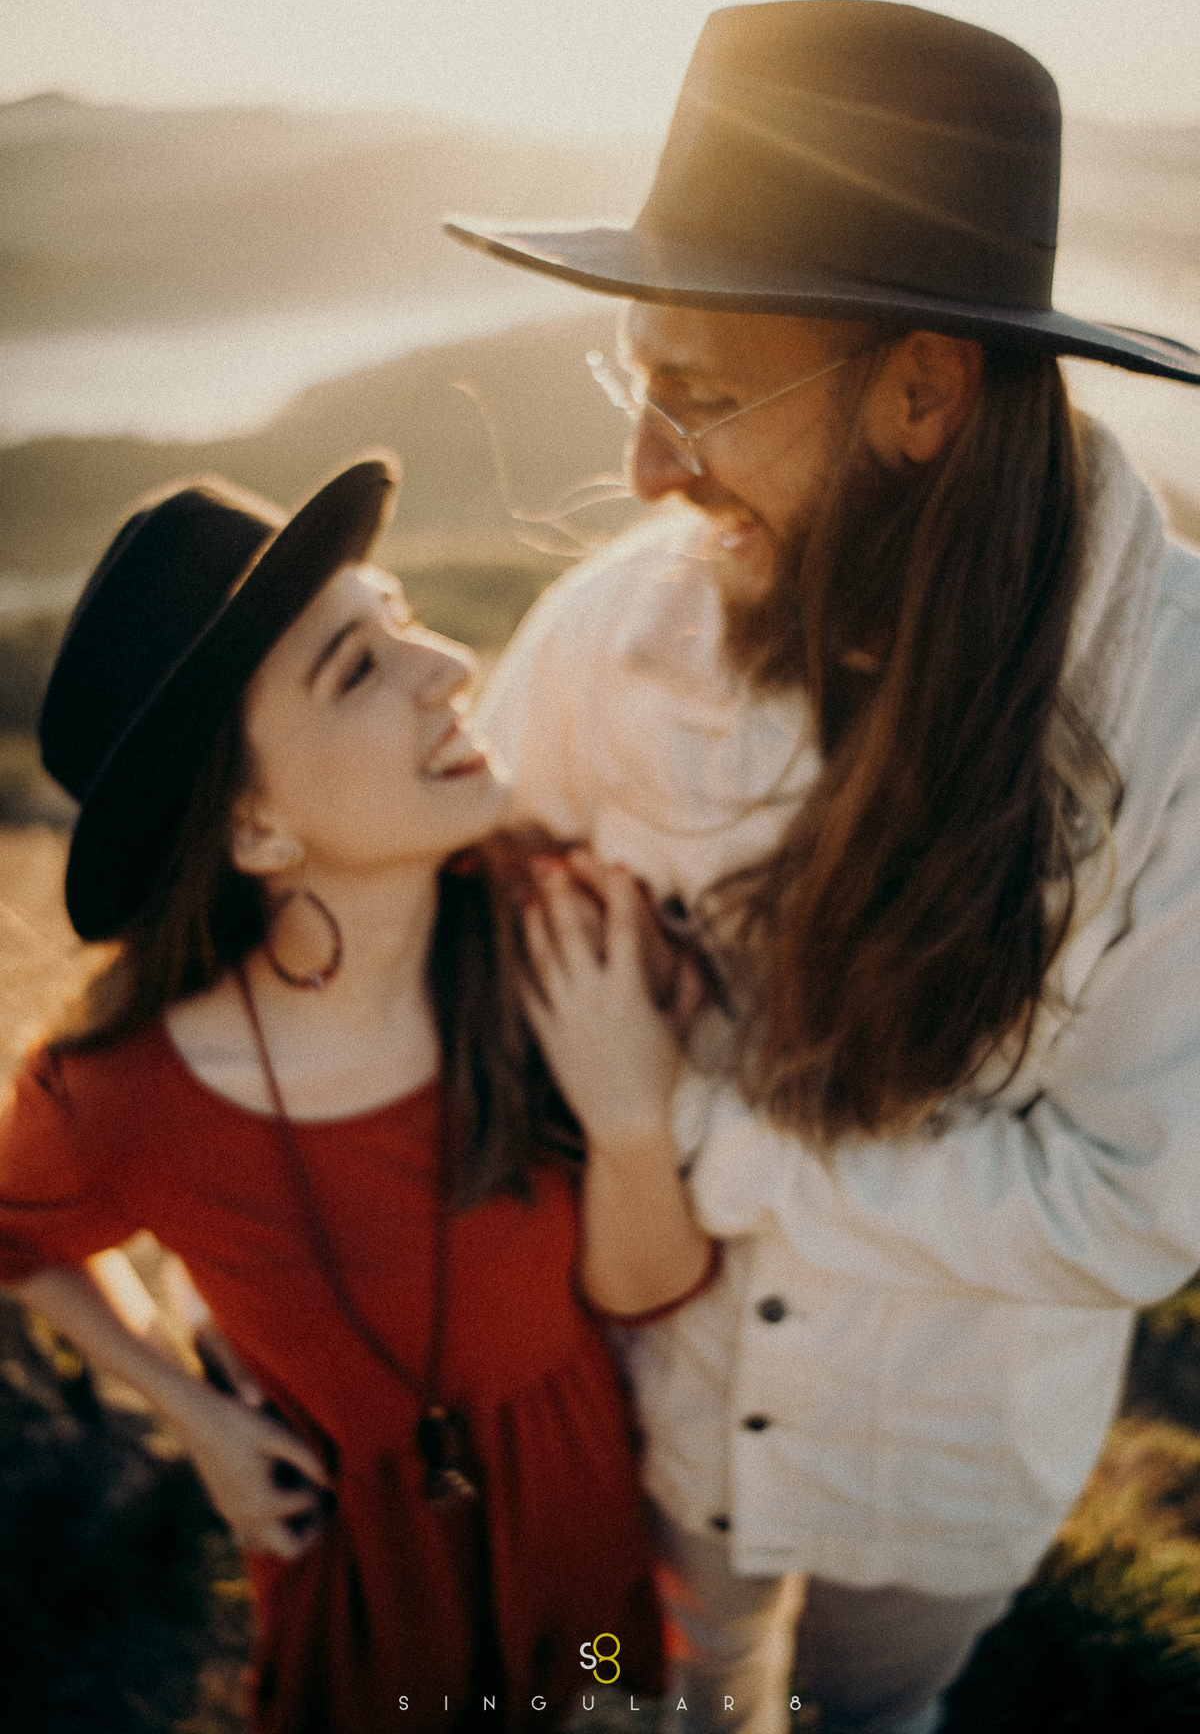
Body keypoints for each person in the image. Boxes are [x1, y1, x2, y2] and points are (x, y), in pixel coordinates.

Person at [444, 0, 1200, 1734]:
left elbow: (1132, 1207)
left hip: (936, 1474)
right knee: (628, 1691)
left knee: (870, 1715)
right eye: (633, 388)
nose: (642, 472)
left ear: (924, 389)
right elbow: (476, 928)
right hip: (648, 1402)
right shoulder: (613, 634)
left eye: (697, 397)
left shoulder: (1184, 719)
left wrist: (682, 1133)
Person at [0, 453, 709, 1731]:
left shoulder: (556, 937)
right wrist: (191, 1412)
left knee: (616, 1717)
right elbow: (16, 1239)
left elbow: (644, 1289)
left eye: (397, 619)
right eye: (358, 667)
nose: (448, 666)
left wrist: (630, 1120)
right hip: (364, 1616)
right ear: (257, 829)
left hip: (592, 1565)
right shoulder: (125, 1097)